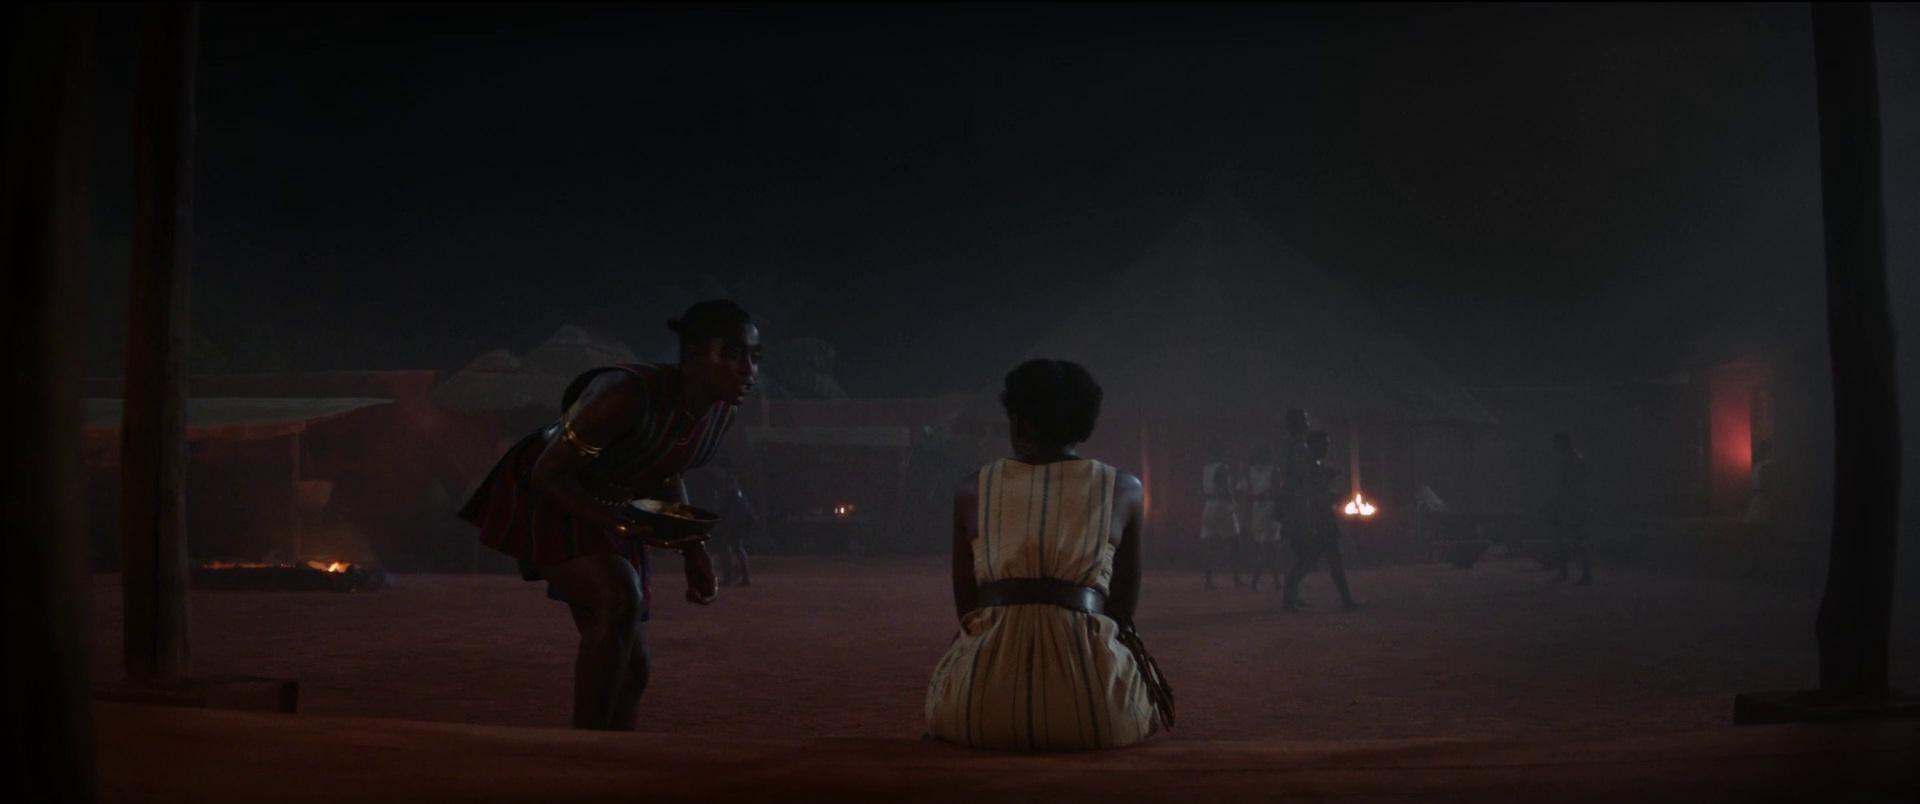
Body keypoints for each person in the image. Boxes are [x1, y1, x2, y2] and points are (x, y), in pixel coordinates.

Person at [458, 300, 759, 730]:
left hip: (614, 501)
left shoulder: (720, 413)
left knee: (632, 666)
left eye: (753, 356)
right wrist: (617, 521)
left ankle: (616, 753)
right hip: (555, 491)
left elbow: (666, 470)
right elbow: (548, 473)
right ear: (694, 356)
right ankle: (588, 751)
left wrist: (694, 551)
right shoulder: (625, 394)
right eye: (732, 354)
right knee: (617, 599)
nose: (748, 369)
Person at [926, 359, 1171, 750]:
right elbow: (1122, 610)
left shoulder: (972, 489)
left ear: (1018, 424)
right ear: (1085, 425)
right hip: (1098, 714)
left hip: (977, 709)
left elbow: (968, 608)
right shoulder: (1124, 489)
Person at [1281, 429, 1361, 613]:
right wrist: (1330, 496)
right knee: (1311, 559)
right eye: (1324, 444)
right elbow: (1310, 494)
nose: (1327, 448)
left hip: (1320, 518)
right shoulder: (1309, 467)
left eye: (1328, 444)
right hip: (1316, 520)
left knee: (1324, 559)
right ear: (1313, 445)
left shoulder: (1313, 465)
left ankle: (1345, 599)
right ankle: (1288, 600)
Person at [695, 457, 755, 587]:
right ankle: (738, 576)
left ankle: (734, 577)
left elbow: (730, 505)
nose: (715, 471)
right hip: (733, 518)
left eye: (717, 469)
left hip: (733, 519)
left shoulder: (729, 483)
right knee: (732, 546)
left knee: (729, 546)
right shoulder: (727, 483)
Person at [1546, 431, 1593, 585]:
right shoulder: (1574, 458)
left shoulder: (1569, 460)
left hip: (1571, 503)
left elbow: (1567, 484)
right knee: (1571, 537)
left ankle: (1578, 572)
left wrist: (1558, 500)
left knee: (1574, 537)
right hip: (1573, 502)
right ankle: (1573, 571)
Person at [1199, 451, 1243, 589]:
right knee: (1234, 543)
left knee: (1209, 544)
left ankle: (1208, 580)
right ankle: (1236, 578)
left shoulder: (1206, 468)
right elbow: (1223, 488)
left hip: (1209, 505)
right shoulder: (1222, 467)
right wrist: (1234, 497)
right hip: (1223, 505)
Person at [1244, 446, 1284, 591]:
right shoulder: (1273, 470)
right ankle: (1258, 580)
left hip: (1258, 508)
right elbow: (1277, 490)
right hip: (1268, 507)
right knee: (1268, 546)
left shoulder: (1251, 470)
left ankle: (1273, 580)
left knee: (1267, 546)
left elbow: (1247, 490)